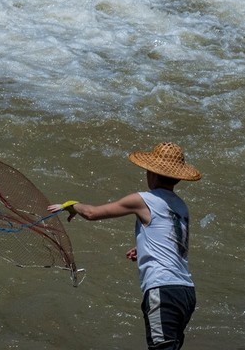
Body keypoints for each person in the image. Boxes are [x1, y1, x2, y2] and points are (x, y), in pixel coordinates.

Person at [48, 142, 202, 350]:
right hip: (185, 292)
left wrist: (72, 205)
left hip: (162, 290)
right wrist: (144, 248)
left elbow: (93, 213)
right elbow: (175, 243)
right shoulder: (181, 206)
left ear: (152, 173)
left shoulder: (143, 200)